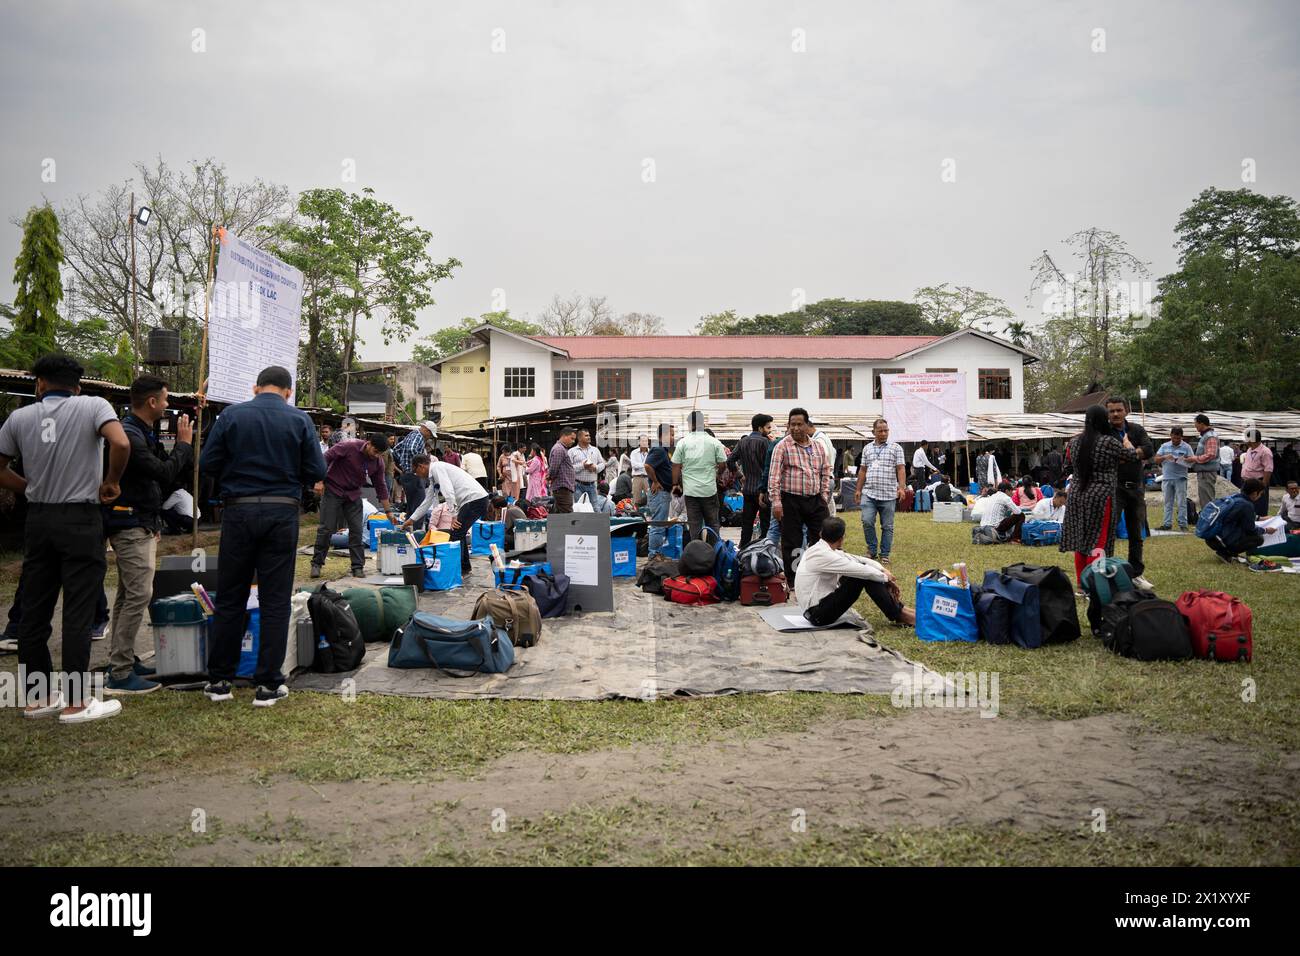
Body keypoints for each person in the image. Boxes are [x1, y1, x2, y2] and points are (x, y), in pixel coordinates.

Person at [0, 355, 130, 722]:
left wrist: (28, 488)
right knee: (78, 609)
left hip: (39, 519)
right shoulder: (94, 406)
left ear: (40, 384)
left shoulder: (19, 417)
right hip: (80, 517)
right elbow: (120, 443)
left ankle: (39, 698)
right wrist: (112, 481)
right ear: (78, 385)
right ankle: (75, 701)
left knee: (34, 610)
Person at [199, 365, 325, 707]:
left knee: (230, 596)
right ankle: (269, 684)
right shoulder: (299, 420)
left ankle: (220, 680)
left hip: (238, 511)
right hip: (281, 513)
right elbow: (317, 471)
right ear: (288, 391)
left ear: (256, 389)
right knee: (275, 598)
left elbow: (207, 462)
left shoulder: (231, 416)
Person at [103, 375, 195, 695]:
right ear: (153, 402)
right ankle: (120, 672)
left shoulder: (140, 432)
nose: (169, 405)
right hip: (129, 525)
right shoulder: (129, 436)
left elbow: (158, 481)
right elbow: (165, 472)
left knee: (129, 595)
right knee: (139, 595)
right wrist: (183, 445)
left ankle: (123, 659)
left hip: (141, 521)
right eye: (166, 399)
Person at [1059, 404, 1139, 589]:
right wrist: (1126, 441)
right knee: (1098, 541)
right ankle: (1095, 585)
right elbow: (1132, 456)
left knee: (1081, 540)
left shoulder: (1074, 442)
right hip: (1101, 496)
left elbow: (1067, 467)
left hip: (1077, 494)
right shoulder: (1109, 442)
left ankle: (1080, 584)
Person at [797, 517, 916, 628]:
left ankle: (901, 611)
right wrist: (886, 578)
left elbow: (858, 559)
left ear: (820, 534)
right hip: (818, 615)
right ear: (841, 539)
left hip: (818, 609)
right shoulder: (824, 555)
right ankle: (900, 614)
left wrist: (883, 570)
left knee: (866, 572)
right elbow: (863, 571)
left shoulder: (819, 549)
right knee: (863, 576)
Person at [310, 435, 394, 578]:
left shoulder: (378, 462)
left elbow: (381, 486)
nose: (376, 455)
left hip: (353, 494)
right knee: (327, 528)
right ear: (368, 443)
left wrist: (388, 511)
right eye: (375, 451)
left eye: (380, 454)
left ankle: (357, 567)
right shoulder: (349, 446)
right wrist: (319, 481)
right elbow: (325, 458)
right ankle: (317, 563)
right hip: (333, 490)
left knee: (356, 530)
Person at [768, 407, 832, 586]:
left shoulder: (818, 446)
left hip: (815, 500)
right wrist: (776, 503)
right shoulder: (782, 446)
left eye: (799, 424)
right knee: (792, 542)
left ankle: (819, 574)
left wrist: (824, 496)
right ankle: (794, 580)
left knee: (823, 538)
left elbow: (826, 471)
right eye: (792, 425)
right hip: (791, 500)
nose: (795, 428)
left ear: (807, 425)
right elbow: (774, 477)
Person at [404, 452, 489, 576]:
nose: (417, 475)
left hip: (474, 499)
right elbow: (427, 501)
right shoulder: (434, 476)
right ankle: (464, 568)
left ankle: (457, 570)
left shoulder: (437, 467)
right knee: (459, 533)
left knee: (456, 533)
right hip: (474, 500)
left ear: (421, 466)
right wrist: (412, 519)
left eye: (416, 471)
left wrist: (454, 515)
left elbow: (448, 491)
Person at [1105, 396, 1154, 578]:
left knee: (1136, 533)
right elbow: (1109, 456)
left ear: (1126, 411)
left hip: (1136, 488)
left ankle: (1136, 573)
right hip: (1114, 488)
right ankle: (1107, 572)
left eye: (1119, 410)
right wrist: (1134, 453)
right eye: (1112, 411)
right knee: (1109, 531)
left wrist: (1127, 453)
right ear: (1107, 413)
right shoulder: (1104, 433)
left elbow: (1149, 450)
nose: (1116, 414)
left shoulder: (1136, 429)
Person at [853, 418, 906, 565]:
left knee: (887, 526)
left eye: (886, 430)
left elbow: (901, 468)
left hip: (888, 494)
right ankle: (871, 550)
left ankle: (885, 553)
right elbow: (863, 470)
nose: (883, 433)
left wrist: (901, 488)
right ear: (874, 432)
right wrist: (858, 489)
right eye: (880, 431)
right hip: (869, 493)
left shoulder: (896, 448)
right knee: (867, 521)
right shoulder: (867, 448)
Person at [672, 411, 728, 541]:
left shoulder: (683, 443)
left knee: (694, 525)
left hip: (691, 492)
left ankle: (696, 555)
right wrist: (717, 474)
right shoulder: (714, 442)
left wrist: (675, 486)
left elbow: (675, 466)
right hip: (709, 490)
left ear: (690, 424)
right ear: (703, 423)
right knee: (713, 524)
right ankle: (714, 554)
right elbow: (723, 464)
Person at [726, 413, 775, 550]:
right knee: (765, 524)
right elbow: (771, 465)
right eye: (768, 427)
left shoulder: (743, 442)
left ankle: (743, 550)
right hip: (763, 491)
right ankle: (764, 550)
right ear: (760, 428)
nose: (770, 430)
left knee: (747, 524)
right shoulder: (766, 443)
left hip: (747, 489)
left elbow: (730, 460)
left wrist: (740, 476)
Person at [1205, 479, 1268, 562]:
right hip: (1221, 540)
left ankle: (1228, 552)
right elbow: (1250, 529)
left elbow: (1238, 516)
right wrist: (1266, 530)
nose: (1260, 496)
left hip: (1212, 538)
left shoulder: (1235, 498)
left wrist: (1260, 518)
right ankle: (1226, 553)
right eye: (1260, 494)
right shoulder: (1246, 505)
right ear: (1255, 493)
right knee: (1258, 538)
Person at [1153, 426, 1194, 531]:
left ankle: (1183, 524)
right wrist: (1165, 457)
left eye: (1178, 438)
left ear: (1181, 437)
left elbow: (1192, 460)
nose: (1176, 440)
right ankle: (1167, 524)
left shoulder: (1186, 447)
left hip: (1181, 478)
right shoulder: (1164, 446)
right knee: (1168, 502)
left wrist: (1182, 459)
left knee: (1181, 502)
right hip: (1167, 477)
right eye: (1174, 438)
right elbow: (1156, 459)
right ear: (1170, 436)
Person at [392, 421, 436, 516]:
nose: (429, 437)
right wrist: (420, 465)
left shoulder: (411, 435)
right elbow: (412, 449)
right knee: (419, 506)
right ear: (426, 430)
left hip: (406, 474)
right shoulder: (419, 436)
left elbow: (396, 449)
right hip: (414, 475)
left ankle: (409, 529)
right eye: (430, 434)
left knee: (411, 506)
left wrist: (404, 462)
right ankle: (416, 530)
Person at [1187, 414, 1222, 510]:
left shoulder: (1210, 436)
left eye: (1196, 424)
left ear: (1201, 424)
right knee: (1204, 498)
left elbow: (1210, 455)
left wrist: (1194, 458)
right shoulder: (1206, 436)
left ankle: (1209, 520)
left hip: (1207, 472)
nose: (1195, 427)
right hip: (1204, 472)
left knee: (1207, 499)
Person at [1240, 429, 1274, 518]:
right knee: (1246, 505)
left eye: (1246, 439)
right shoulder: (1249, 450)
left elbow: (1268, 469)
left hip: (1258, 482)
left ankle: (1259, 527)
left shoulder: (1265, 451)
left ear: (1251, 439)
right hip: (1246, 482)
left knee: (1259, 507)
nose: (1245, 441)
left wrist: (1263, 485)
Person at [569, 429, 605, 504]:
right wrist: (583, 466)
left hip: (592, 484)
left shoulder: (595, 450)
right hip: (578, 485)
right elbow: (569, 469)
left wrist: (596, 468)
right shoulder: (572, 451)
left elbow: (602, 464)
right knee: (579, 507)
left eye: (589, 435)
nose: (589, 437)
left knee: (595, 507)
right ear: (579, 438)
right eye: (586, 436)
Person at [548, 427, 578, 513]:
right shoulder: (559, 449)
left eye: (574, 439)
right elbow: (553, 469)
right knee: (567, 514)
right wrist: (550, 476)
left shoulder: (561, 449)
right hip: (562, 488)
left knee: (560, 514)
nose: (573, 441)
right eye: (572, 438)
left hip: (562, 488)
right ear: (564, 436)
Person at [629, 435, 651, 507]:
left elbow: (652, 465)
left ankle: (651, 516)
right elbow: (634, 465)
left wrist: (641, 465)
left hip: (648, 477)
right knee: (636, 500)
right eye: (642, 441)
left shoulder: (651, 452)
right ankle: (636, 516)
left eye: (646, 441)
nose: (644, 442)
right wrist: (645, 465)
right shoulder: (634, 452)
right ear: (639, 442)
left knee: (650, 498)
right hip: (637, 477)